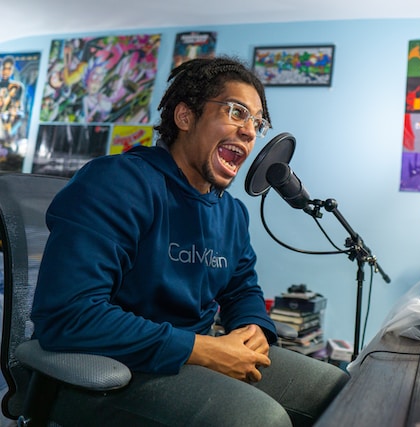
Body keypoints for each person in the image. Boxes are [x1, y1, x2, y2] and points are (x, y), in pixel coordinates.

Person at [31, 56, 349, 427]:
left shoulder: (230, 212)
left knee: (334, 388)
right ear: (185, 117)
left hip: (192, 354)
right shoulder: (116, 183)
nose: (249, 131)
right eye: (236, 112)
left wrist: (254, 329)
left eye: (257, 122)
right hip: (110, 371)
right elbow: (68, 315)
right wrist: (202, 349)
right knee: (260, 420)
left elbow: (241, 287)